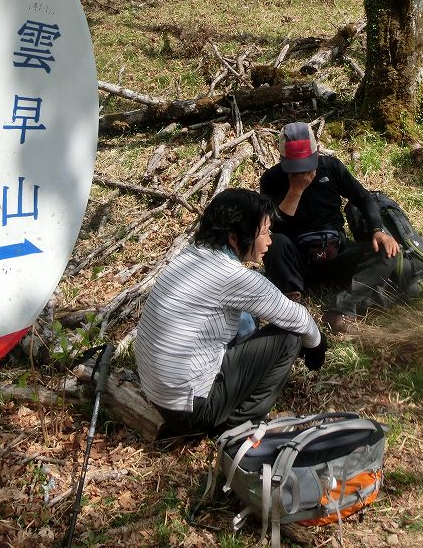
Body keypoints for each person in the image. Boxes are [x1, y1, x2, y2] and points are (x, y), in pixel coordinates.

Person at [134, 188, 327, 439]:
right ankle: (236, 424)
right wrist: (317, 344)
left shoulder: (191, 254)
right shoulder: (232, 276)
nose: (269, 239)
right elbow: (297, 317)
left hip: (160, 393)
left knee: (246, 317)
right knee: (289, 337)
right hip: (190, 410)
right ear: (235, 238)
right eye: (265, 232)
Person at [260, 122, 400, 335]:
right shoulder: (272, 179)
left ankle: (342, 310)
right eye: (296, 167)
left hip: (337, 252)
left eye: (307, 164)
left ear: (317, 152)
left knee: (386, 251)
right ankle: (291, 306)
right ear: (283, 160)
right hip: (298, 260)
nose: (303, 172)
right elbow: (275, 225)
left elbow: (363, 198)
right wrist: (296, 190)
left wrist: (377, 230)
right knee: (275, 243)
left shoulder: (331, 168)